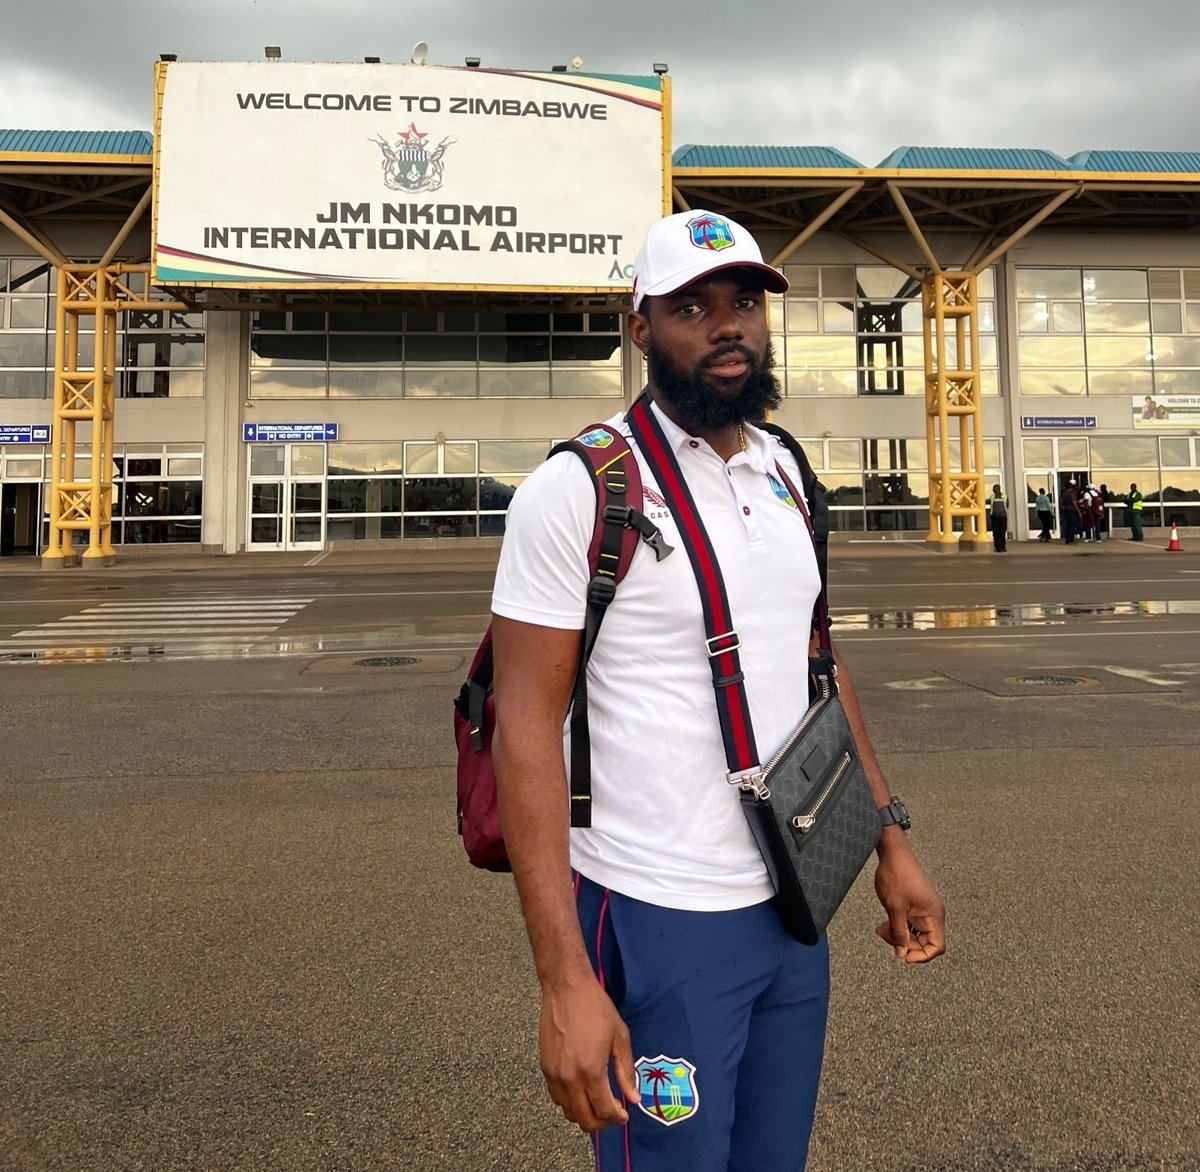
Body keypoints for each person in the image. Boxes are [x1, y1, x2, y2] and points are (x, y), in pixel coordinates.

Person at [489, 210, 946, 1172]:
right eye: (691, 307)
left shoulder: (787, 471)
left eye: (743, 303)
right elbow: (523, 725)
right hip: (659, 915)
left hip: (792, 905)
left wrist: (888, 840)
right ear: (642, 325)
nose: (725, 325)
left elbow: (819, 667)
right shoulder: (580, 489)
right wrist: (563, 978)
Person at [986, 482, 1007, 551]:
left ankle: (1000, 547)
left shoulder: (993, 496)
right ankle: (1001, 547)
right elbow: (1007, 505)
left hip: (997, 516)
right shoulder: (1004, 496)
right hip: (1001, 516)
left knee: (997, 532)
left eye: (995, 488)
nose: (994, 490)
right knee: (1001, 532)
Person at [1062, 479, 1084, 544]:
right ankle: (1071, 540)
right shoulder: (1071, 493)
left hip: (1066, 510)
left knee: (1068, 525)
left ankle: (1067, 539)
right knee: (1072, 525)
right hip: (1072, 510)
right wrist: (1078, 511)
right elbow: (1074, 502)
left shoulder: (1064, 493)